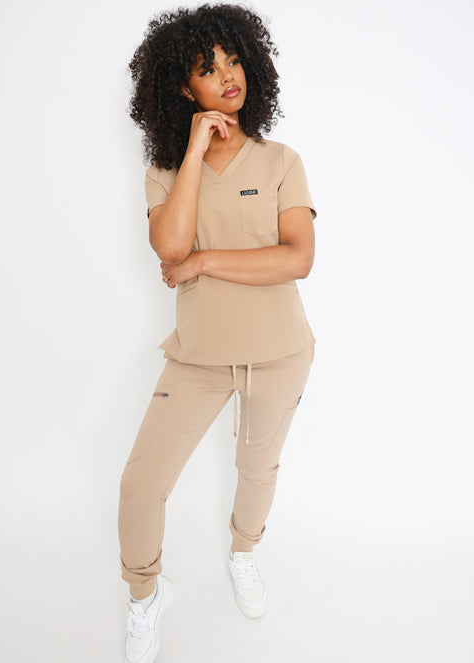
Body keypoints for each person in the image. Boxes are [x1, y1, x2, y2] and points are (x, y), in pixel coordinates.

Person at [118, 4, 317, 662]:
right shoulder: (167, 171)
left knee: (257, 468)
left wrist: (203, 264)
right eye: (208, 69)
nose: (228, 75)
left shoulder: (281, 159)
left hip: (280, 352)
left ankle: (242, 553)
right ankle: (145, 594)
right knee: (140, 485)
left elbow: (297, 259)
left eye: (234, 61)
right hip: (198, 357)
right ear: (184, 87)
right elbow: (169, 247)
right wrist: (197, 150)